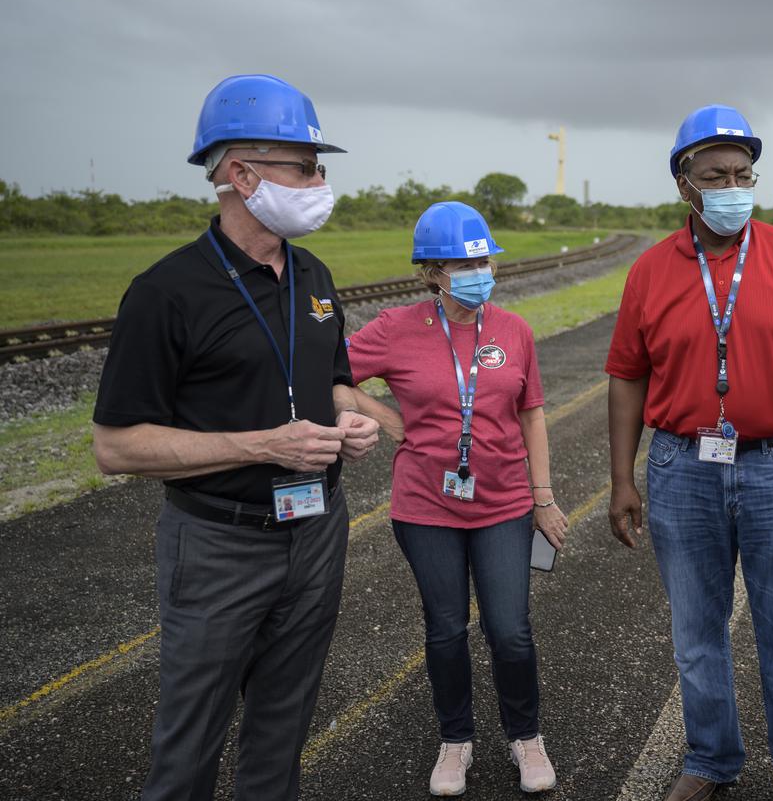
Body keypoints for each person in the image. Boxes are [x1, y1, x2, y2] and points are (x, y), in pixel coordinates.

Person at [91, 73, 380, 800]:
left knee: (282, 734)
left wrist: (352, 417)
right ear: (240, 174)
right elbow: (116, 447)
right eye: (305, 166)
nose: (320, 181)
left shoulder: (312, 273)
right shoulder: (167, 292)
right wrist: (263, 445)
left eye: (320, 167)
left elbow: (335, 378)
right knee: (189, 747)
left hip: (315, 529)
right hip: (218, 544)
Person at [605, 104, 773, 801]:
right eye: (715, 174)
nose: (732, 186)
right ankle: (711, 758)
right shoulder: (652, 272)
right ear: (684, 184)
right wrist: (621, 479)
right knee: (697, 635)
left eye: (743, 174)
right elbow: (627, 375)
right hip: (680, 468)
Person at [344, 201, 568, 796]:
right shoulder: (395, 328)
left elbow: (533, 414)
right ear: (430, 272)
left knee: (510, 630)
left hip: (504, 506)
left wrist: (542, 497)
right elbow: (324, 371)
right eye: (459, 263)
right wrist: (384, 417)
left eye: (482, 260)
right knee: (445, 629)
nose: (476, 271)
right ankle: (455, 741)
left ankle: (526, 736)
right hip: (425, 510)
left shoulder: (514, 330)